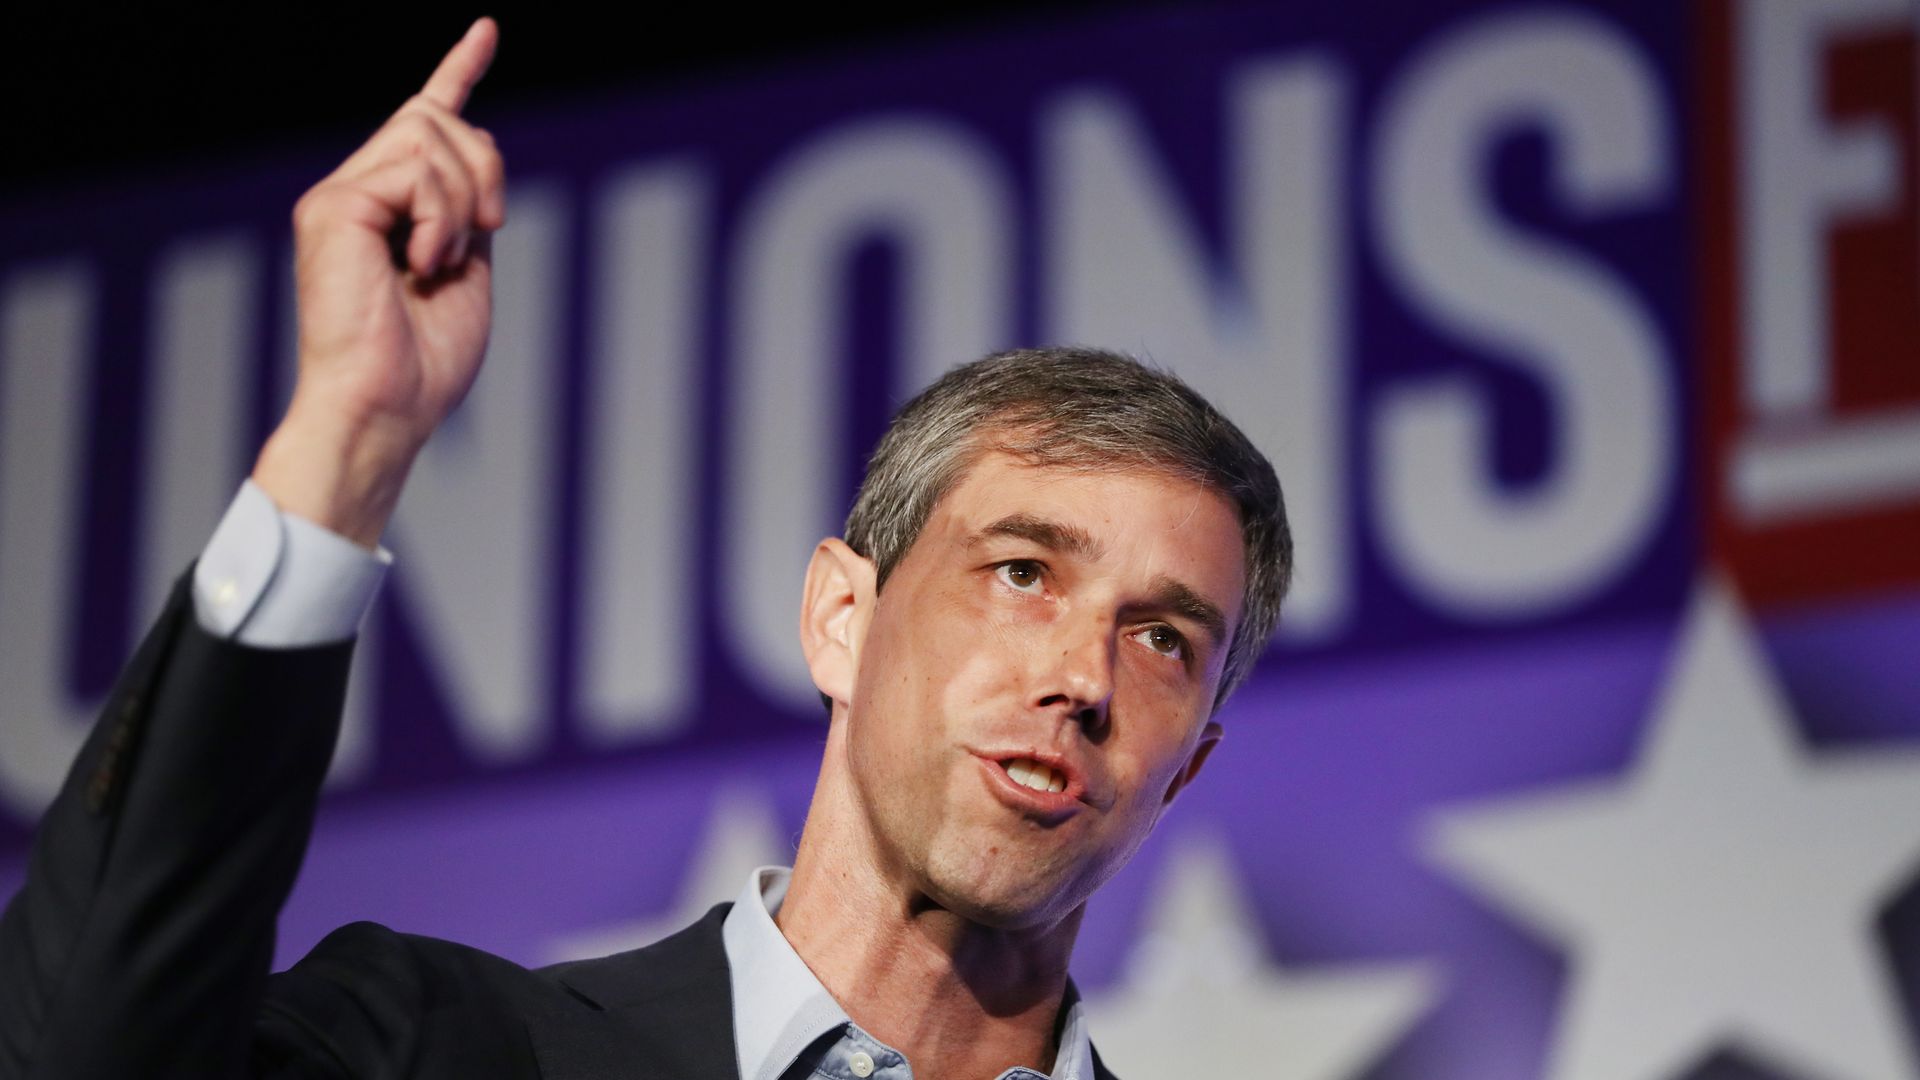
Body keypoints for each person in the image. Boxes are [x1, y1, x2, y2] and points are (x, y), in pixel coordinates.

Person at [0, 17, 1289, 1080]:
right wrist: (349, 443)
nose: (1082, 677)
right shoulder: (445, 1050)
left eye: (1161, 639)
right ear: (841, 618)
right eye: (1022, 573)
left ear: (1186, 769)